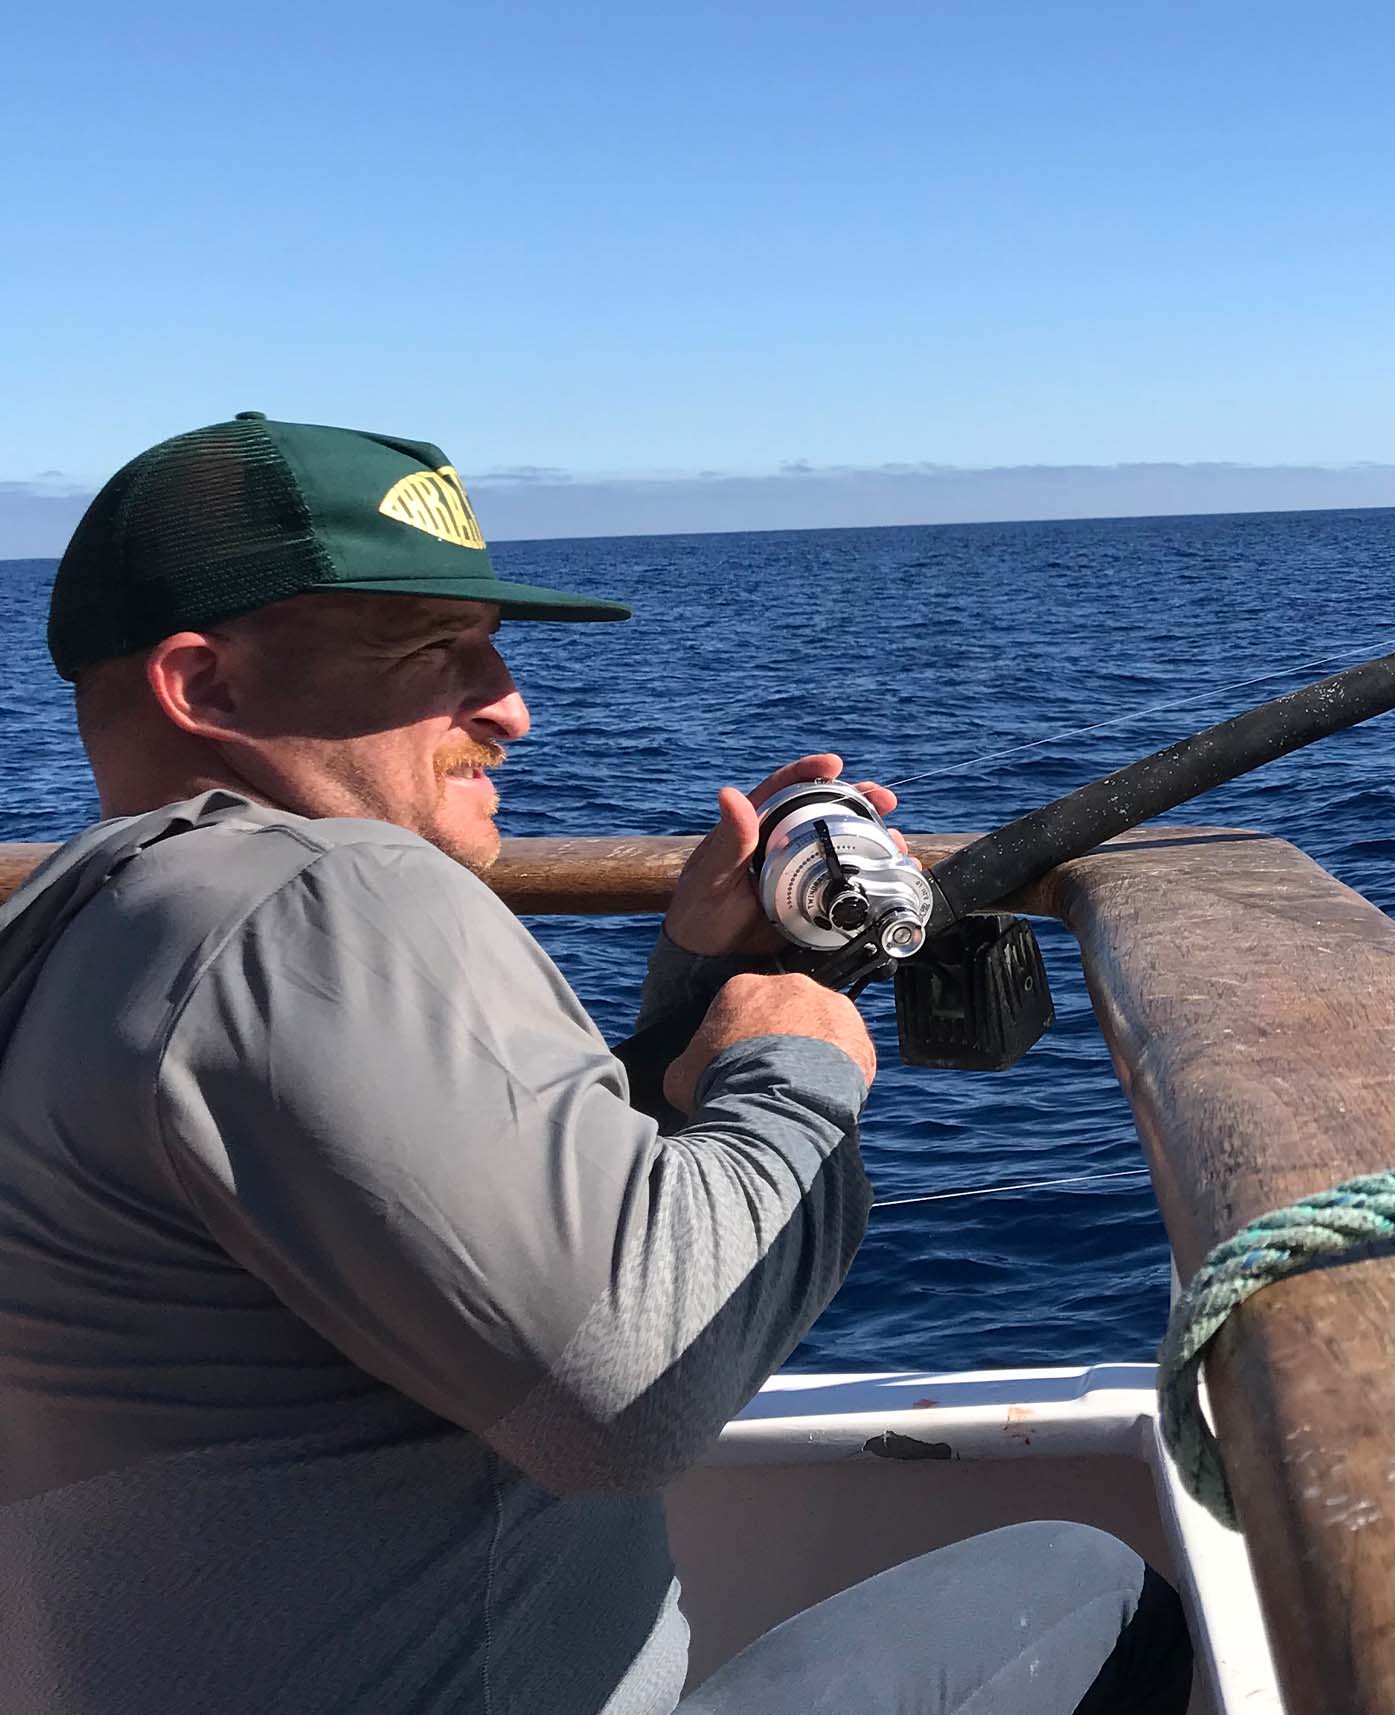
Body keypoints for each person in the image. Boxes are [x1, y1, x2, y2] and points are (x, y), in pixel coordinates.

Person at [0, 415, 1192, 1714]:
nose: (510, 708)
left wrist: (691, 985)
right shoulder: (316, 894)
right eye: (438, 656)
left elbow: (447, 1203)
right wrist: (794, 1072)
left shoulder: (81, 921)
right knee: (1096, 1586)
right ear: (206, 686)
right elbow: (636, 1383)